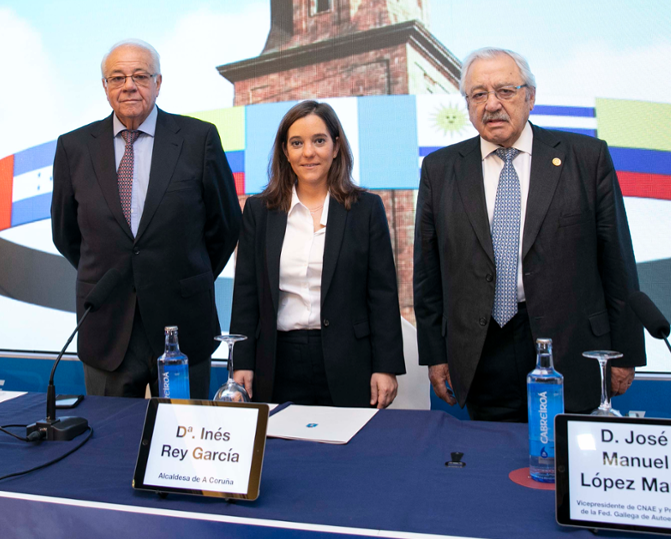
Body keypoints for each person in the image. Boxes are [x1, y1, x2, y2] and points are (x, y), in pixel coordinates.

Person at [413, 48, 645, 419]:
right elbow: (428, 275)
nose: (492, 104)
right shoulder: (440, 169)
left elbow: (617, 262)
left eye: (505, 91)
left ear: (530, 97)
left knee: (566, 451)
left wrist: (626, 353)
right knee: (492, 452)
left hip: (570, 347)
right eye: (478, 94)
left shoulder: (586, 158)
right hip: (481, 351)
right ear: (467, 104)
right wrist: (435, 356)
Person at [51, 39, 241, 399]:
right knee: (109, 433)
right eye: (117, 77)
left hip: (182, 320)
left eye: (140, 75)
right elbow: (66, 234)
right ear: (105, 86)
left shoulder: (198, 139)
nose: (129, 86)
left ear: (158, 83)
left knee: (186, 429)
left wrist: (185, 272)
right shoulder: (73, 147)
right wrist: (115, 273)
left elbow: (226, 225)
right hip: (107, 326)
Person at [230, 101, 405, 408]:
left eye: (319, 141)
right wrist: (241, 361)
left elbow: (382, 294)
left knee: (349, 440)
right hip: (278, 361)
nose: (308, 152)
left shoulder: (366, 209)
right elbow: (246, 292)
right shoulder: (259, 211)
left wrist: (385, 366)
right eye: (297, 143)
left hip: (350, 360)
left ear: (336, 147)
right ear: (285, 152)